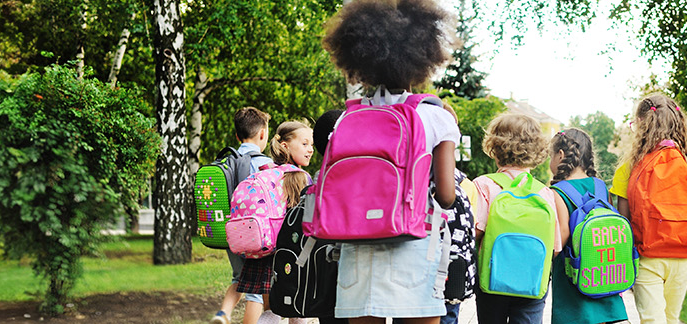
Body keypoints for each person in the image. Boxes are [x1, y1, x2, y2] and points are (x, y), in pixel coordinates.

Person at [321, 1, 460, 323]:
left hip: (355, 248)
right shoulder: (434, 116)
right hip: (410, 247)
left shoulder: (347, 118)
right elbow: (446, 196)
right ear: (423, 59)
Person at [610, 94, 687, 324]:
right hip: (683, 259)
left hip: (647, 258)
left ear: (641, 127)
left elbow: (624, 225)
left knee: (653, 321)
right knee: (672, 319)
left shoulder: (629, 169)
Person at [469, 113, 560, 324]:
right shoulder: (544, 193)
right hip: (532, 282)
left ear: (495, 148)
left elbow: (475, 232)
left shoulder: (484, 185)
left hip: (492, 280)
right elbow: (555, 247)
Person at [235, 121, 315, 324]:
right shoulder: (300, 177)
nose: (310, 149)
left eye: (311, 145)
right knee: (296, 308)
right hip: (291, 253)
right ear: (286, 145)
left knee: (270, 309)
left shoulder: (263, 171)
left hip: (264, 251)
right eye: (305, 144)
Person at [547, 128, 629, 324]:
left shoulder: (557, 192)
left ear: (560, 155)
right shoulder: (600, 186)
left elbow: (561, 239)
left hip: (573, 280)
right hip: (604, 271)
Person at [214, 107, 277, 324]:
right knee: (255, 291)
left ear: (237, 135)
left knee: (239, 278)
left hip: (229, 233)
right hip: (256, 236)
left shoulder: (225, 161)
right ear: (262, 134)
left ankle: (223, 313)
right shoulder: (265, 165)